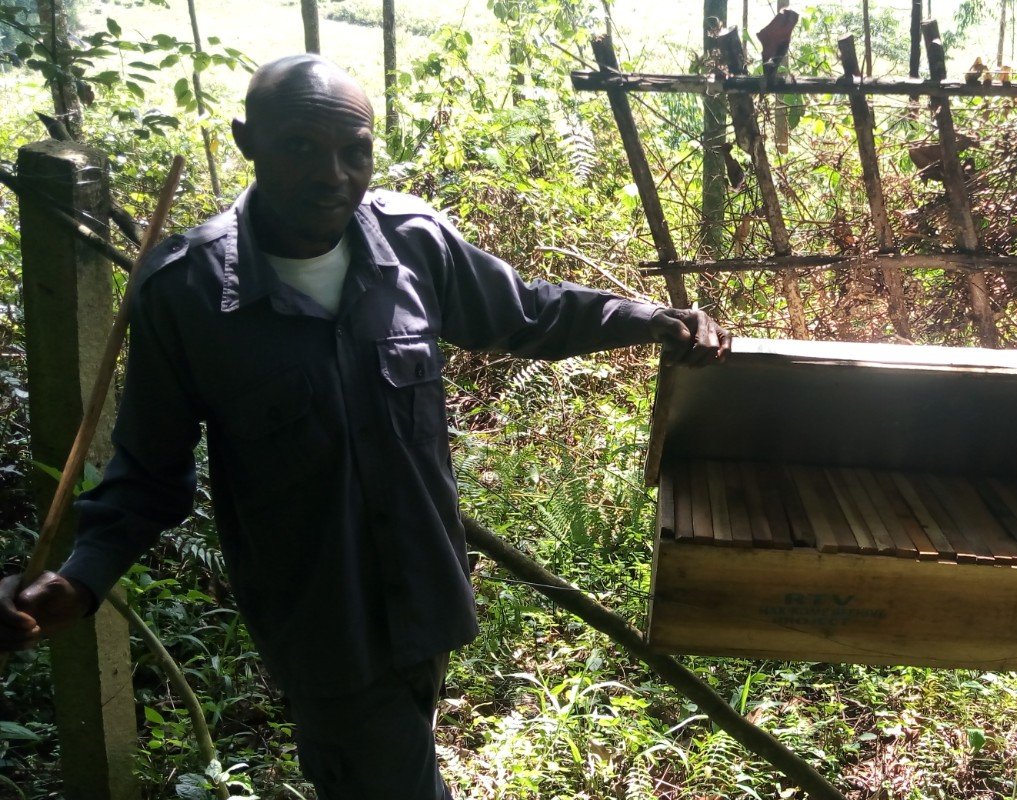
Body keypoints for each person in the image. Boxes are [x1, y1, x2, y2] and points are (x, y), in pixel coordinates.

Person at [0, 54, 729, 799]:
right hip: (325, 622)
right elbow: (150, 474)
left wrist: (649, 318)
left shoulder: (413, 243)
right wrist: (81, 578)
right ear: (247, 141)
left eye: (356, 152)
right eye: (300, 147)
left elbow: (526, 313)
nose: (334, 176)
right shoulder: (186, 290)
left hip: (427, 595)